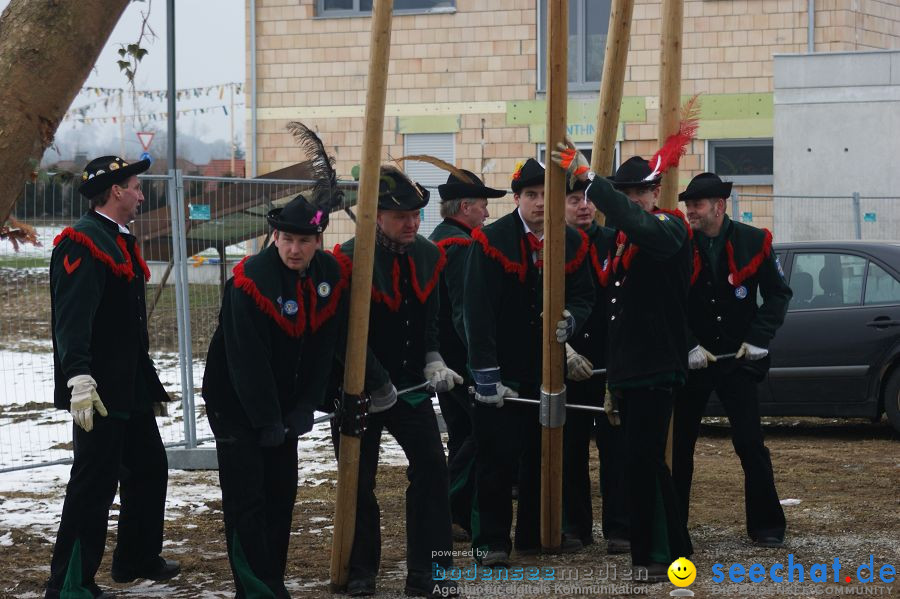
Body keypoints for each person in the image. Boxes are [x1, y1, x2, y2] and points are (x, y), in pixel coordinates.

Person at [552, 142, 694, 582]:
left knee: (644, 460)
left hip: (657, 364)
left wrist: (590, 178)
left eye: (641, 192)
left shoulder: (669, 227)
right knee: (640, 461)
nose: (634, 200)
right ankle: (661, 552)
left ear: (655, 193)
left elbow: (638, 223)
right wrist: (613, 380)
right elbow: (616, 315)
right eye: (626, 192)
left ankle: (660, 556)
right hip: (629, 368)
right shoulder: (619, 244)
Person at [202, 192, 349, 597]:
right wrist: (266, 419)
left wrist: (305, 406)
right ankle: (253, 588)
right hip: (235, 402)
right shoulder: (249, 280)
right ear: (275, 236)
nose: (294, 249)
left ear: (318, 240)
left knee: (281, 493)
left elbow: (323, 346)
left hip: (283, 405)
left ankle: (273, 579)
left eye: (304, 240)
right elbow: (247, 359)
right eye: (286, 239)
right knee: (246, 498)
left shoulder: (328, 275)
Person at [46, 155, 179, 599]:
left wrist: (147, 382)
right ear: (116, 190)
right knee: (93, 484)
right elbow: (72, 319)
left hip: (129, 386)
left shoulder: (117, 237)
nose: (142, 194)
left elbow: (127, 325)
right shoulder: (81, 241)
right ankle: (69, 582)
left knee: (148, 468)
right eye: (137, 187)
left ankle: (135, 558)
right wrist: (78, 377)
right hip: (98, 390)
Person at [331, 166, 460, 598]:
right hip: (356, 388)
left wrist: (433, 358)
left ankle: (432, 572)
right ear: (376, 215)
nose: (411, 223)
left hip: (409, 388)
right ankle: (361, 569)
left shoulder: (427, 255)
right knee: (358, 479)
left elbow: (430, 321)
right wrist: (375, 381)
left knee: (433, 471)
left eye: (416, 215)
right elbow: (345, 332)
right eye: (400, 215)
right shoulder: (349, 259)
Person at [463, 158, 595, 565]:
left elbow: (585, 294)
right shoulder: (491, 240)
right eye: (532, 196)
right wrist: (486, 373)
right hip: (502, 368)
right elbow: (475, 310)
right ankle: (492, 542)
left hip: (549, 366)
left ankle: (535, 535)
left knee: (544, 454)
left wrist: (572, 318)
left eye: (547, 196)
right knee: (497, 458)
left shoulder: (570, 240)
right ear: (517, 198)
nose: (540, 203)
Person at [674, 172, 792, 547]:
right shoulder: (679, 242)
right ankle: (674, 527)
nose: (690, 210)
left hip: (737, 360)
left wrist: (759, 338)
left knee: (750, 443)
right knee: (680, 446)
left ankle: (767, 525)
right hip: (694, 362)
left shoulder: (753, 240)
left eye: (697, 204)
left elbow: (778, 294)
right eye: (688, 204)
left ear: (719, 206)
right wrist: (688, 344)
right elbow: (668, 303)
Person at [428, 169, 506, 541]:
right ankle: (448, 506)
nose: (487, 215)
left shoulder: (441, 238)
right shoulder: (458, 246)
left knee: (463, 434)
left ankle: (454, 513)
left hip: (447, 358)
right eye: (483, 206)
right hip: (461, 360)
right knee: (477, 434)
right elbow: (464, 311)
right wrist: (481, 362)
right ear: (465, 207)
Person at [560, 178, 630, 555]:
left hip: (609, 361)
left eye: (587, 200)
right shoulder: (551, 245)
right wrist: (563, 352)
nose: (583, 207)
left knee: (614, 448)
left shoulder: (615, 241)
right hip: (568, 361)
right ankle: (574, 526)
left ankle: (619, 527)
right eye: (573, 200)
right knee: (570, 449)